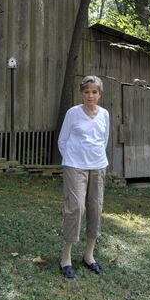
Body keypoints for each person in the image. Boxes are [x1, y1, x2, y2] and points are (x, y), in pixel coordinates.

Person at [57, 75, 110, 279]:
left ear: (99, 94)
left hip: (98, 166)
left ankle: (89, 255)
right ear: (82, 94)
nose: (90, 95)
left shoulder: (104, 114)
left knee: (95, 207)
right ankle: (66, 257)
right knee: (76, 207)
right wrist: (73, 158)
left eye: (94, 92)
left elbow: (104, 140)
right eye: (86, 92)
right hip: (74, 166)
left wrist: (93, 158)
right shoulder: (73, 113)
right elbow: (62, 140)